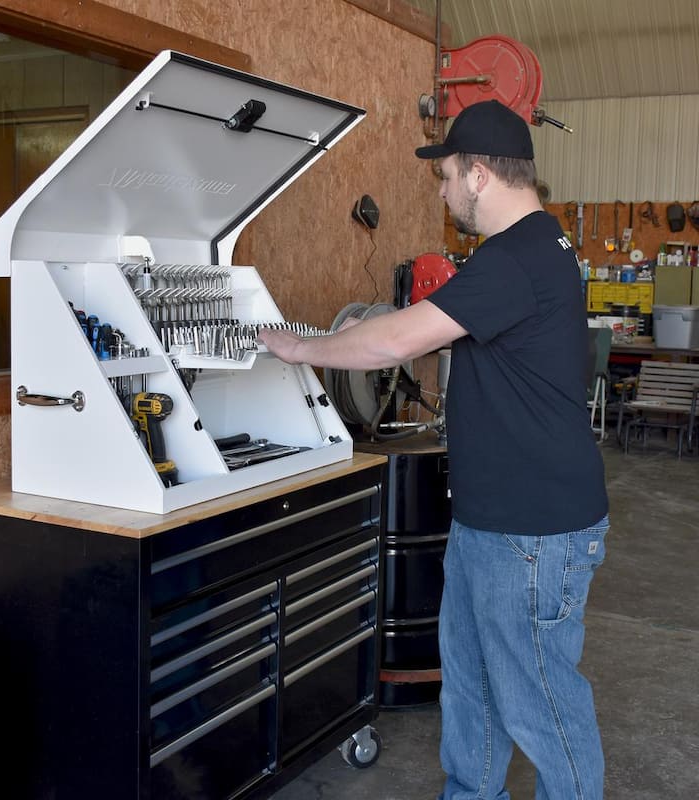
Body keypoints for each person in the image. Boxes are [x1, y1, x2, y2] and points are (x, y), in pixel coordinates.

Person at [259, 99, 610, 800]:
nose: (444, 192)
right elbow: (442, 331)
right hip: (493, 522)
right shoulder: (539, 250)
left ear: (480, 174)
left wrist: (297, 347)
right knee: (472, 696)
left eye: (447, 176)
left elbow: (394, 340)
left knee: (544, 711)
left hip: (533, 533)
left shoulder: (517, 258)